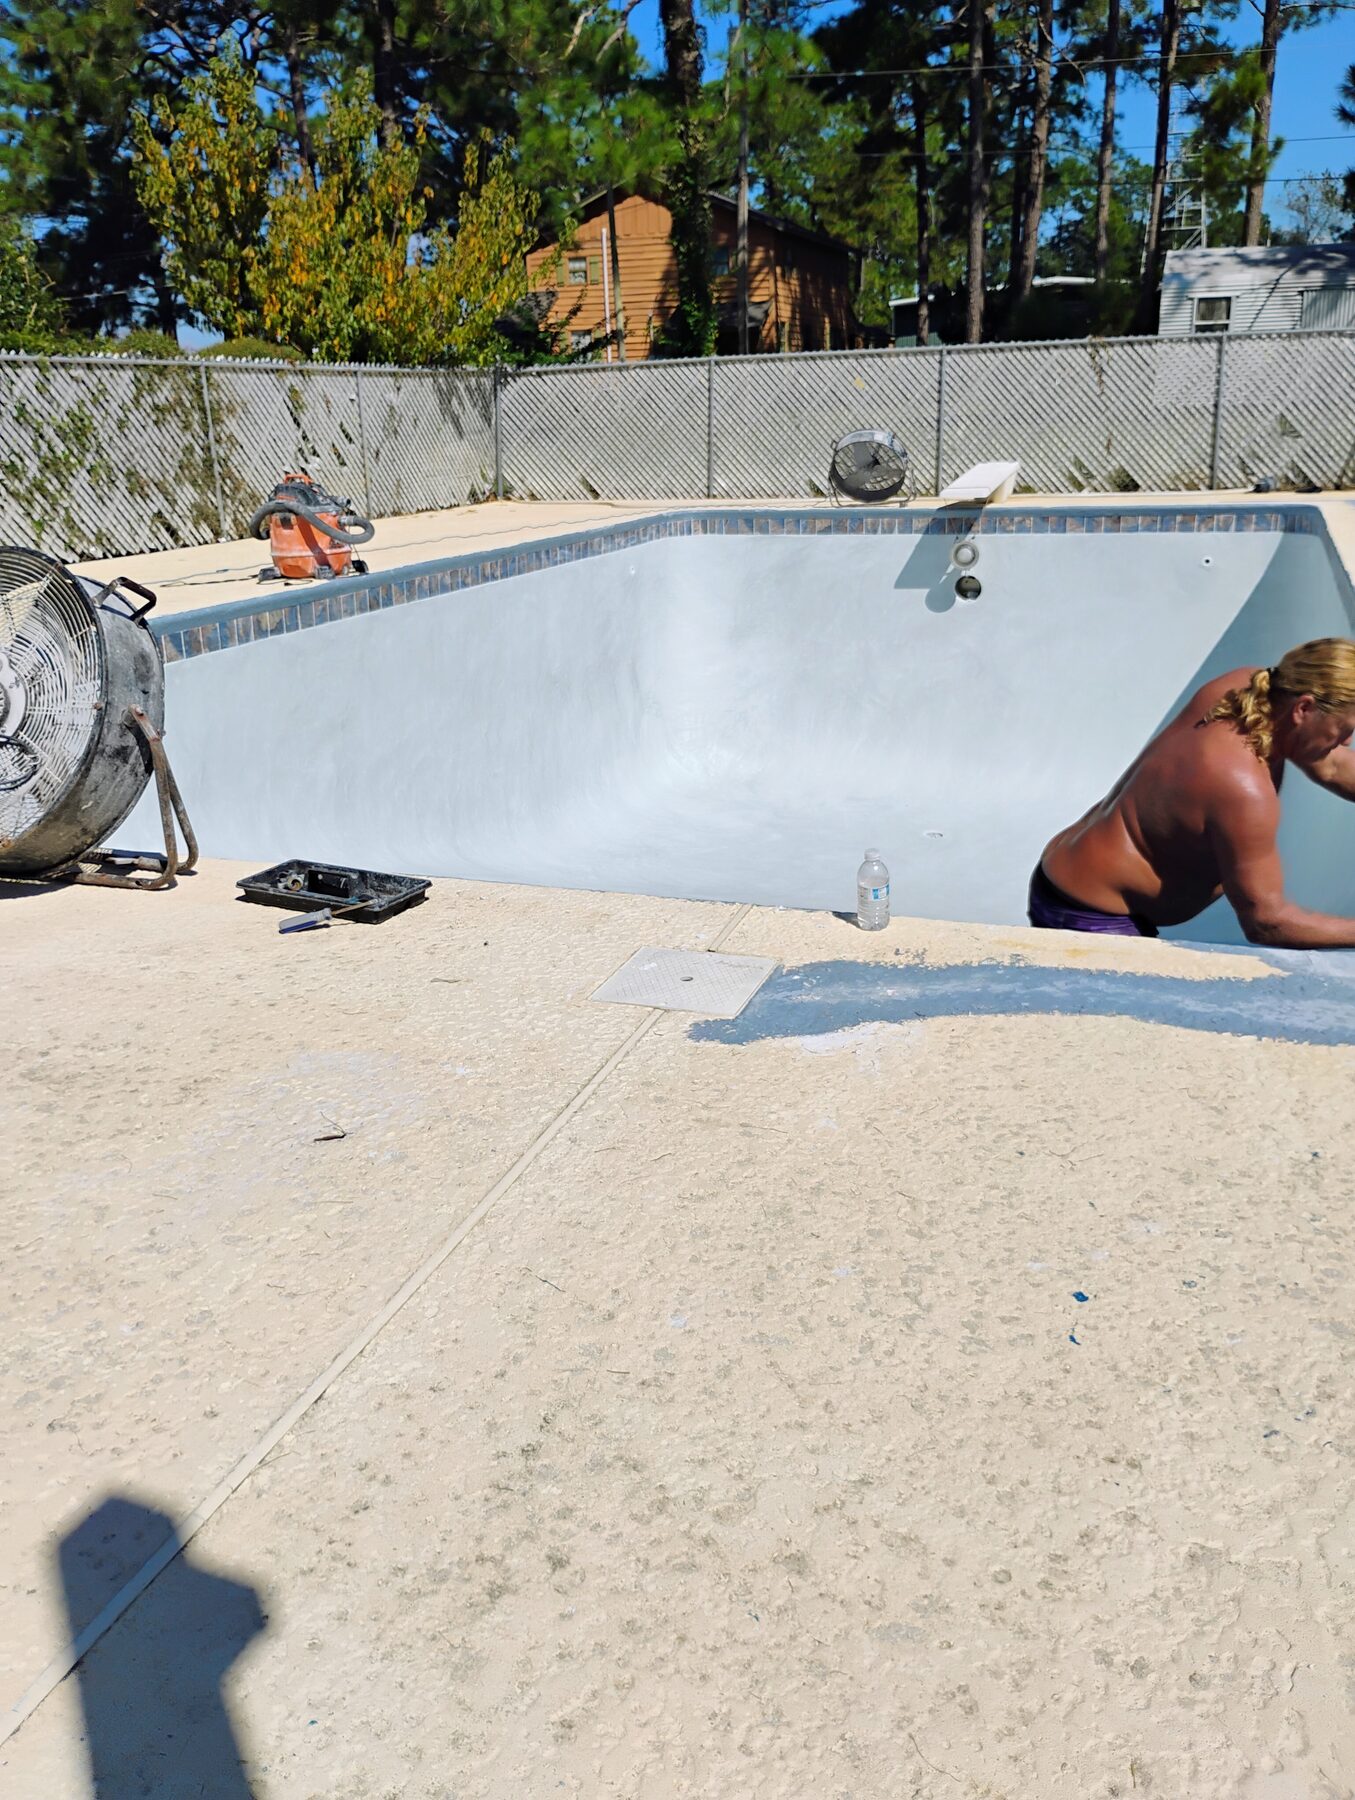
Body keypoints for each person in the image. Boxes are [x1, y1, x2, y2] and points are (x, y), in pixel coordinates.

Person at [1030, 637, 1355, 947]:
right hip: (1089, 920)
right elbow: (1268, 922)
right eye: (1345, 730)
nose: (1346, 743)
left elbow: (1332, 765)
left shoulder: (1251, 687)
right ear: (1304, 709)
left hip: (1065, 878)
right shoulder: (1242, 787)